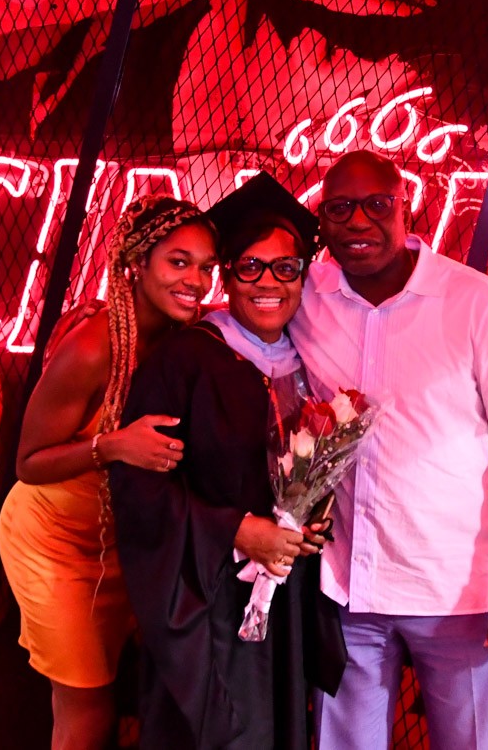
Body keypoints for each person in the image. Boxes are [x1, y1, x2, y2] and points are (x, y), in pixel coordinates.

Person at [287, 149, 488, 749]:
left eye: (377, 205)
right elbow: (242, 319)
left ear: (406, 205)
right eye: (339, 209)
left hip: (456, 593)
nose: (358, 222)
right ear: (321, 220)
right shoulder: (305, 297)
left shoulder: (477, 302)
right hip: (348, 586)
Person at [109, 171, 342, 749]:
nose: (269, 283)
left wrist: (309, 525)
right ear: (229, 277)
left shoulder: (310, 365)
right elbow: (140, 490)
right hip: (205, 604)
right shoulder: (184, 362)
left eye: (286, 268)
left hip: (282, 603)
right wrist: (237, 532)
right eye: (249, 266)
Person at [0, 195, 218, 750]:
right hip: (53, 542)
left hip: (121, 547)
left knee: (124, 692)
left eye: (206, 267)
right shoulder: (93, 346)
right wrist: (112, 445)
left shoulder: (179, 337)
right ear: (137, 263)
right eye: (178, 261)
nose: (196, 279)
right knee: (87, 702)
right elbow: (28, 463)